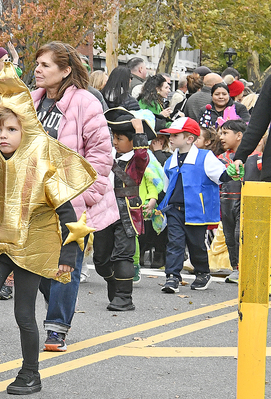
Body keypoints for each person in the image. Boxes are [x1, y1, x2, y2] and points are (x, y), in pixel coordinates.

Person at [0, 76, 96, 397]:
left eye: (11, 129)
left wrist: (67, 256)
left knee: (24, 313)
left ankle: (30, 372)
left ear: (26, 131)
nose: (3, 135)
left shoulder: (42, 165)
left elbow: (67, 214)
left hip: (32, 249)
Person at [30, 41, 114, 352]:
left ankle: (56, 328)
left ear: (65, 70)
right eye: (37, 64)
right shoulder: (32, 101)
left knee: (68, 264)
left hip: (73, 199)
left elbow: (101, 153)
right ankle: (60, 303)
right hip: (36, 200)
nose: (38, 70)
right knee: (39, 265)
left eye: (46, 65)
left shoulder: (85, 102)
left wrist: (86, 193)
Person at [160, 116, 225, 294]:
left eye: (175, 135)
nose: (171, 138)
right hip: (175, 209)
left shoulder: (205, 157)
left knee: (197, 244)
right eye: (170, 135)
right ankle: (172, 277)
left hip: (197, 209)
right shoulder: (170, 161)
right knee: (174, 243)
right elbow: (166, 187)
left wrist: (233, 172)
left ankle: (202, 272)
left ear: (189, 139)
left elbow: (221, 176)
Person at [96, 108, 151, 313]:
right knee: (100, 259)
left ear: (132, 141)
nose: (115, 142)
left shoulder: (138, 160)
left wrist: (139, 131)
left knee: (123, 256)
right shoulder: (108, 155)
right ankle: (115, 283)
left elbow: (142, 154)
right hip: (104, 209)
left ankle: (124, 297)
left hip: (126, 211)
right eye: (114, 137)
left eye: (120, 138)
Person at [217, 119, 247, 282]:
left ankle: (244, 268)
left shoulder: (250, 157)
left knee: (239, 235)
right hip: (226, 201)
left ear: (239, 135)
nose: (221, 137)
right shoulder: (220, 158)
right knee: (229, 237)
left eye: (225, 133)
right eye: (221, 133)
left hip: (244, 201)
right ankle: (235, 268)